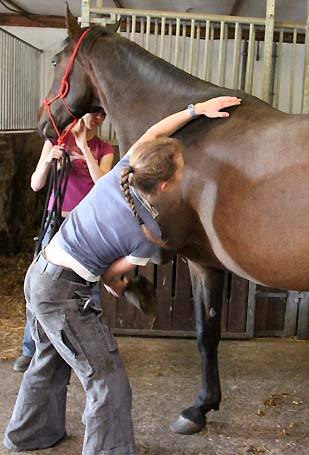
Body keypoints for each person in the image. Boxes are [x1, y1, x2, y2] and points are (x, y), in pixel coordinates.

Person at [3, 95, 241, 454]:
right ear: (164, 187)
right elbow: (114, 278)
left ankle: (29, 434)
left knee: (49, 360)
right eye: (180, 169)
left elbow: (158, 131)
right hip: (64, 293)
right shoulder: (147, 235)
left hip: (40, 274)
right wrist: (132, 290)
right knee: (108, 382)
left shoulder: (123, 172)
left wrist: (194, 111)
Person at [13, 111, 114, 373]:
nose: (96, 119)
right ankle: (30, 349)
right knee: (40, 283)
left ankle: (90, 349)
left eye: (101, 115)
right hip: (56, 220)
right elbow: (36, 183)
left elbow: (103, 184)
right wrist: (49, 160)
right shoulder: (56, 141)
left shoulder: (105, 148)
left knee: (88, 289)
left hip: (87, 226)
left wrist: (83, 148)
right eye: (92, 113)